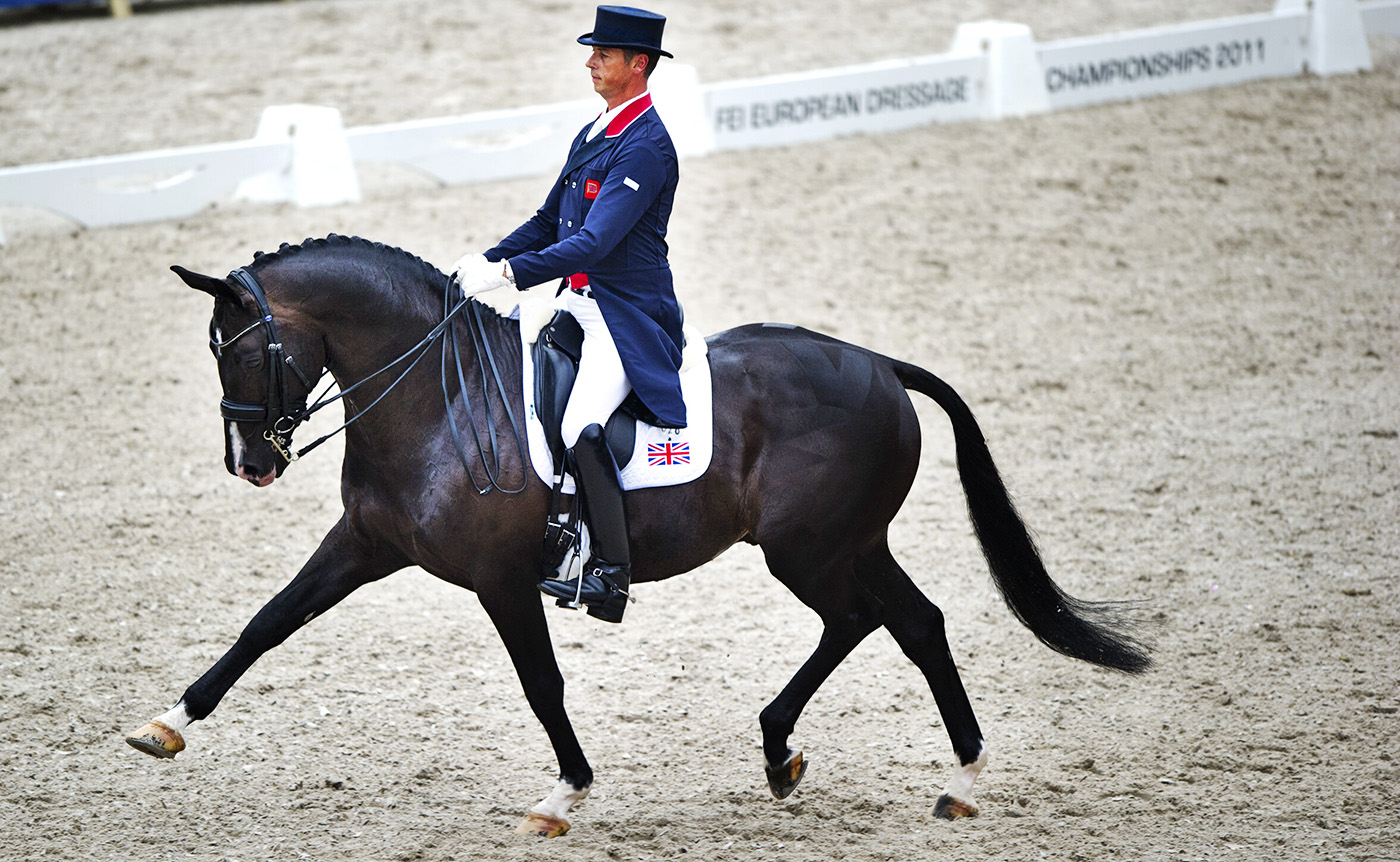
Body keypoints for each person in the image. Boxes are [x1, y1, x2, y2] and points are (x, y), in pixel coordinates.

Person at [452, 5, 685, 624]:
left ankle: (610, 572)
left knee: (582, 422)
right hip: (575, 304)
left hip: (625, 313)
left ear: (639, 65)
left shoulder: (646, 147)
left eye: (603, 55)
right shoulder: (594, 134)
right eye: (592, 53)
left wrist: (507, 275)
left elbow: (595, 244)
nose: (590, 63)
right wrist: (485, 257)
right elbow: (547, 223)